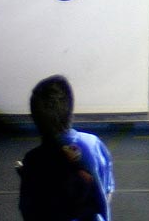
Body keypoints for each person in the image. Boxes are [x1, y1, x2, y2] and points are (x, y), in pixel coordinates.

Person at [19, 75, 115, 221]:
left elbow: (29, 211)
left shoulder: (34, 160)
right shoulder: (93, 144)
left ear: (34, 118)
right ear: (70, 110)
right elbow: (106, 192)